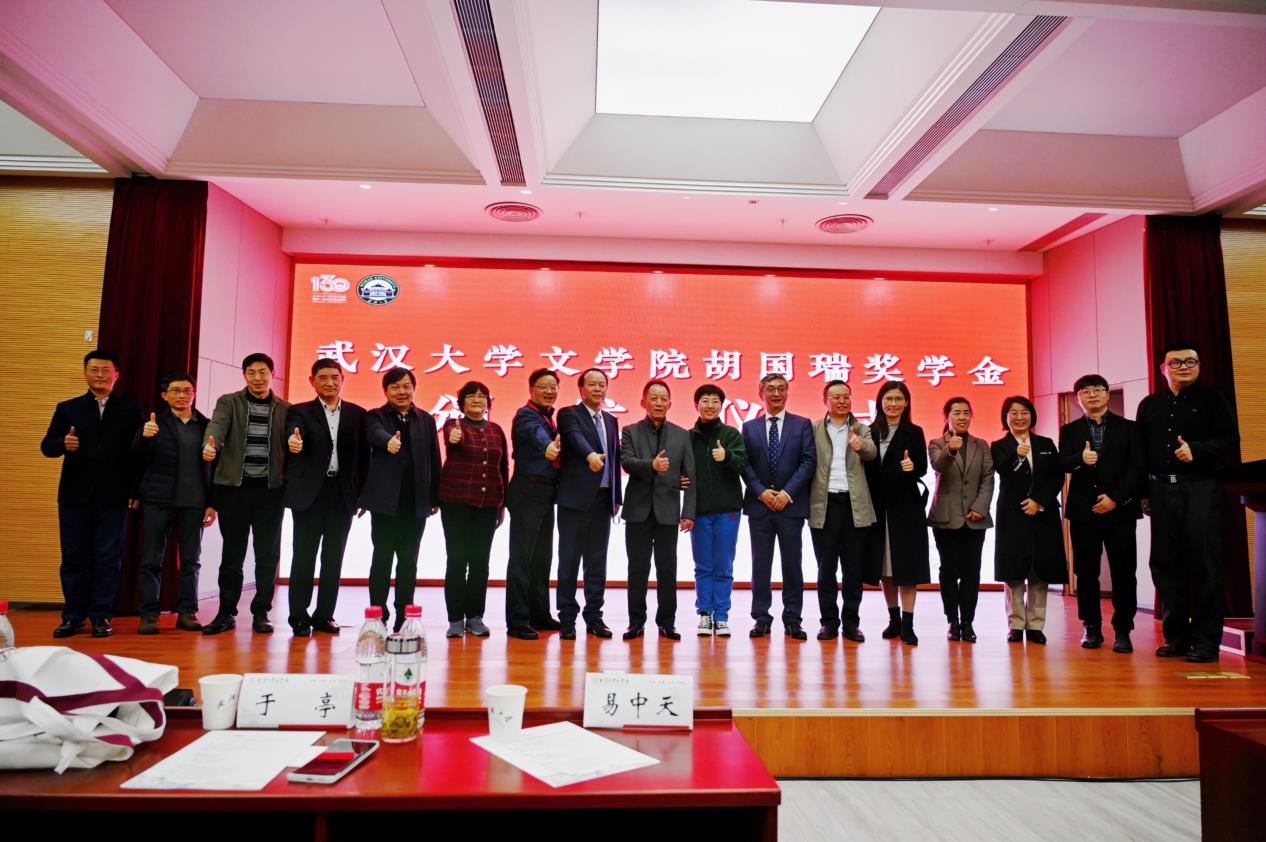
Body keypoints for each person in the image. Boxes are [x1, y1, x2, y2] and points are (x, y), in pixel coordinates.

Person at [1137, 341, 1239, 663]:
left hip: (1200, 488)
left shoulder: (1214, 400)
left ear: (1199, 366)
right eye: (1177, 362)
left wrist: (1197, 450)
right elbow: (1140, 452)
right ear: (1163, 368)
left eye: (1191, 362)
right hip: (1160, 491)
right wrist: (1143, 493)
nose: (1184, 367)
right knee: (1165, 564)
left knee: (1205, 565)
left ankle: (1206, 642)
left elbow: (1230, 441)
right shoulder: (1149, 405)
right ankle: (1176, 637)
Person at [41, 351, 143, 638]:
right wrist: (63, 443)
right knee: (74, 557)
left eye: (106, 370)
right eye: (94, 369)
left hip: (114, 495)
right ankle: (73, 616)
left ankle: (101, 616)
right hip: (74, 496)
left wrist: (135, 490)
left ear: (116, 375)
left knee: (108, 559)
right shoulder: (68, 408)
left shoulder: (130, 410)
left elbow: (139, 455)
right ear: (85, 372)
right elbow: (47, 446)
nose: (100, 375)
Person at [201, 353, 291, 635]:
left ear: (272, 374)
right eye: (251, 372)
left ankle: (261, 612)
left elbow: (292, 442)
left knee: (267, 555)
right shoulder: (229, 402)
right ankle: (226, 612)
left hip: (270, 492)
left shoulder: (286, 409)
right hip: (234, 491)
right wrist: (210, 445)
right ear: (244, 375)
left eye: (263, 372)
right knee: (232, 554)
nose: (257, 378)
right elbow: (216, 427)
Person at [1059, 374, 1144, 654]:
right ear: (1077, 399)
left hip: (1120, 511)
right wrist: (1080, 460)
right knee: (1085, 573)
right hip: (1084, 513)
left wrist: (1116, 499)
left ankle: (1123, 630)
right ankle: (1091, 627)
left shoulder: (1129, 428)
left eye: (1097, 389)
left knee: (1124, 572)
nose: (1092, 394)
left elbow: (1137, 467)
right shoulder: (1070, 430)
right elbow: (1063, 463)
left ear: (1107, 394)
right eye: (1085, 391)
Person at [283, 358, 367, 636]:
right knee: (303, 557)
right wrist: (293, 441)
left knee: (333, 558)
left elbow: (363, 459)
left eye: (335, 377)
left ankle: (324, 615)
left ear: (343, 380)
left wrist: (361, 496)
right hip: (310, 496)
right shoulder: (300, 411)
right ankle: (298, 615)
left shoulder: (357, 414)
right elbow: (294, 432)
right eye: (323, 378)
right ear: (312, 381)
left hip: (342, 495)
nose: (330, 383)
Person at [132, 372, 215, 634]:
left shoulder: (206, 425)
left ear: (194, 394)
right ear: (164, 395)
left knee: (191, 561)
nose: (182, 395)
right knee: (151, 560)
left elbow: (215, 469)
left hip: (195, 503)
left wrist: (213, 503)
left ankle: (187, 612)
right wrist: (143, 437)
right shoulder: (153, 423)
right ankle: (149, 614)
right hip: (158, 501)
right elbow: (136, 458)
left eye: (187, 390)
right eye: (176, 391)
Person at [360, 366, 441, 632]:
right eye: (395, 387)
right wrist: (388, 442)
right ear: (386, 391)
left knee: (408, 562)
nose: (402, 391)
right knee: (381, 560)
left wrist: (435, 497)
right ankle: (378, 614)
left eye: (406, 386)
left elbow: (434, 458)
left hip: (415, 504)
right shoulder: (375, 416)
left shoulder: (426, 420)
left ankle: (404, 614)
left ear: (413, 388)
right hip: (385, 504)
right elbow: (374, 434)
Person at [620, 380, 696, 641]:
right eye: (654, 398)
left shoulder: (682, 435)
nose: (659, 403)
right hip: (638, 511)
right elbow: (627, 462)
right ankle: (635, 623)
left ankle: (667, 623)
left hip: (668, 511)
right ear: (644, 402)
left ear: (670, 404)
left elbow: (690, 476)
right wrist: (651, 465)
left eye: (664, 399)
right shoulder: (630, 431)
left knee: (667, 570)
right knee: (637, 569)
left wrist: (689, 512)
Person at [741, 373, 816, 640]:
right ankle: (761, 618)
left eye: (781, 389)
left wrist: (787, 493)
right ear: (761, 393)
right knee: (760, 564)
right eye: (770, 389)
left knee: (792, 564)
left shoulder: (802, 424)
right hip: (759, 506)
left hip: (790, 507)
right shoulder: (749, 427)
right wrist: (760, 492)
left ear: (787, 393)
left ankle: (793, 619)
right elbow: (744, 463)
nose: (776, 394)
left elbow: (808, 461)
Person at [991, 396, 1066, 645]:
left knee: (1040, 570)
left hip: (1043, 513)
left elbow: (1056, 476)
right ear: (1005, 418)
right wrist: (1017, 456)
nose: (1019, 417)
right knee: (1013, 571)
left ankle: (1035, 625)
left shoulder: (1045, 443)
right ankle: (1015, 624)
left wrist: (1039, 501)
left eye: (1024, 412)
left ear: (1032, 416)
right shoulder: (999, 446)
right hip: (1012, 515)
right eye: (1013, 413)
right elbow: (1002, 471)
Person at [809, 380, 877, 643]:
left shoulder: (862, 428)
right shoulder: (813, 428)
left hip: (854, 506)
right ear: (825, 400)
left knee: (853, 569)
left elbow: (872, 453)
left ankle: (851, 623)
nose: (842, 401)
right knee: (826, 568)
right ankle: (828, 623)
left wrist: (861, 446)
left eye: (846, 396)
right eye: (836, 396)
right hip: (824, 505)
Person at [555, 368, 622, 640]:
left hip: (603, 500)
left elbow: (615, 459)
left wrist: (617, 497)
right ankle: (567, 618)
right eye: (592, 384)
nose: (597, 389)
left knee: (597, 563)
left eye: (601, 384)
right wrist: (590, 455)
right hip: (574, 501)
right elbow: (575, 438)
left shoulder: (611, 420)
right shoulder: (569, 414)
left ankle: (594, 617)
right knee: (569, 561)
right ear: (581, 389)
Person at [439, 381, 509, 638]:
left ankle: (475, 617)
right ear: (462, 403)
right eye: (471, 396)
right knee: (457, 560)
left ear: (488, 402)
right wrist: (453, 438)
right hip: (456, 504)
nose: (477, 400)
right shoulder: (454, 425)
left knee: (480, 562)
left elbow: (503, 468)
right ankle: (455, 618)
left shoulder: (496, 430)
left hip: (488, 504)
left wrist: (502, 504)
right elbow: (452, 439)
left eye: (482, 396)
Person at [863, 381, 929, 646]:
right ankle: (893, 619)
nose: (893, 404)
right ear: (880, 402)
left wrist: (912, 466)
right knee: (885, 566)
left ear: (906, 402)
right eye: (888, 398)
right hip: (877, 507)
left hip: (906, 507)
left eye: (898, 399)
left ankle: (908, 623)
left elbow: (922, 468)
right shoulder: (869, 431)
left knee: (907, 566)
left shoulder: (914, 432)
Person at [927, 396, 994, 643]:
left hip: (975, 518)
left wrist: (980, 507)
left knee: (971, 571)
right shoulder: (936, 443)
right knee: (948, 570)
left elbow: (988, 477)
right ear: (947, 417)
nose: (962, 417)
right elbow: (938, 466)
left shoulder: (981, 445)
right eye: (956, 413)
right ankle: (952, 621)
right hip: (946, 517)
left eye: (966, 413)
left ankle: (967, 621)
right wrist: (951, 449)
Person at [504, 368, 563, 640]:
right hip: (528, 491)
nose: (549, 391)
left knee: (542, 557)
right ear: (531, 390)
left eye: (553, 387)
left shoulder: (548, 417)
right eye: (543, 386)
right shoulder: (526, 415)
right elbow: (535, 434)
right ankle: (517, 620)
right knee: (522, 557)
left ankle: (539, 614)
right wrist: (548, 447)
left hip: (546, 493)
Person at [688, 384, 747, 637]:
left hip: (728, 510)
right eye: (705, 400)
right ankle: (704, 613)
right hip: (700, 510)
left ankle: (721, 616)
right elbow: (682, 469)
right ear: (696, 405)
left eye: (715, 401)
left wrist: (728, 457)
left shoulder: (732, 434)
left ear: (721, 406)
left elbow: (743, 464)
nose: (710, 405)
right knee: (703, 565)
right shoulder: (688, 437)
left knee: (724, 565)